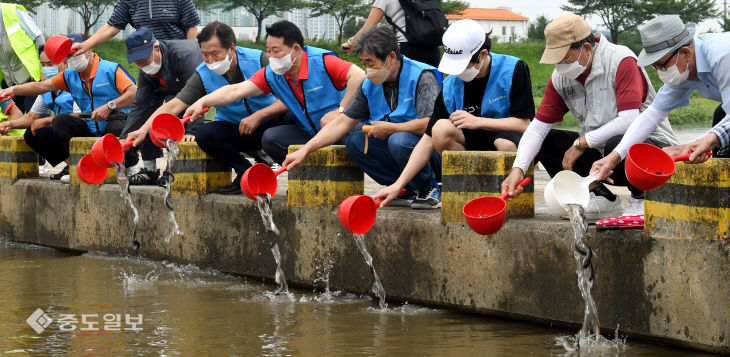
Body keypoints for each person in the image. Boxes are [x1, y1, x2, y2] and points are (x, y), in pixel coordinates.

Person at [501, 14, 678, 219]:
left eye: (564, 59)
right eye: (556, 61)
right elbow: (538, 127)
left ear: (586, 48)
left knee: (618, 140)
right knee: (548, 141)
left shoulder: (621, 60)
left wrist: (582, 142)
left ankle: (640, 198)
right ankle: (599, 197)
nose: (560, 67)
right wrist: (518, 170)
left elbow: (629, 120)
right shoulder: (562, 78)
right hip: (601, 159)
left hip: (649, 152)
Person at [372, 19, 534, 208]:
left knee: (504, 143)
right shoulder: (451, 84)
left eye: (463, 65)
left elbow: (525, 124)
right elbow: (427, 139)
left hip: (509, 137)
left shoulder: (513, 69)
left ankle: (508, 192)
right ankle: (472, 185)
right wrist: (398, 184)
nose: (459, 73)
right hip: (473, 141)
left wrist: (478, 121)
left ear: (482, 54)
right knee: (440, 128)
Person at [125, 21, 292, 195]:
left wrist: (260, 115)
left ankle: (292, 173)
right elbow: (174, 105)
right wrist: (143, 130)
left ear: (232, 48)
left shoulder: (260, 60)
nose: (210, 61)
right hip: (238, 128)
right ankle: (245, 173)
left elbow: (291, 98)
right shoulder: (203, 73)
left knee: (293, 118)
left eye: (215, 54)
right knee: (205, 135)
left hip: (270, 123)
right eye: (205, 55)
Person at [286, 26, 443, 208]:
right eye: (363, 63)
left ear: (391, 57)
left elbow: (431, 125)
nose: (367, 70)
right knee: (355, 142)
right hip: (397, 146)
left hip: (427, 150)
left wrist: (393, 129)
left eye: (371, 62)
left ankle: (429, 188)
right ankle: (406, 188)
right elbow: (343, 122)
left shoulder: (422, 76)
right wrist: (305, 150)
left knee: (398, 140)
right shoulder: (369, 84)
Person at [183, 20, 365, 167]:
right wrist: (203, 101)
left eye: (276, 51)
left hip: (341, 127)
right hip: (311, 130)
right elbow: (236, 90)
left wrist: (341, 111)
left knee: (356, 136)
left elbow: (358, 76)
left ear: (295, 49)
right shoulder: (273, 74)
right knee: (271, 139)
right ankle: (306, 176)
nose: (271, 57)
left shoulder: (321, 61)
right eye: (268, 51)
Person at [592, 15, 730, 182]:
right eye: (654, 66)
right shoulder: (683, 70)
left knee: (720, 120)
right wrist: (613, 158)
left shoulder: (722, 56)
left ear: (685, 52)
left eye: (662, 65)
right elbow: (652, 116)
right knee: (721, 119)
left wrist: (696, 144)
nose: (660, 71)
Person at [0, 33, 136, 182]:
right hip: (90, 131)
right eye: (69, 56)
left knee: (115, 126)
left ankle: (128, 165)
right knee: (57, 123)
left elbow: (134, 92)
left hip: (116, 124)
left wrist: (110, 106)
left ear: (88, 50)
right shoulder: (69, 75)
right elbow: (40, 86)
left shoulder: (110, 69)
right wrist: (12, 90)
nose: (73, 59)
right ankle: (78, 166)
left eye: (76, 53)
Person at [121, 27, 204, 185]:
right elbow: (141, 106)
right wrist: (125, 138)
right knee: (147, 117)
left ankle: (172, 171)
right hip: (172, 92)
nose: (143, 66)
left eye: (144, 60)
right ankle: (149, 170)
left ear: (156, 47)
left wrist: (192, 130)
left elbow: (195, 96)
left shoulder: (184, 55)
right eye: (138, 63)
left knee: (176, 117)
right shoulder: (146, 69)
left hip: (193, 92)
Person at [72, 0, 201, 57]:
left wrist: (189, 56)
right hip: (148, 59)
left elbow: (191, 27)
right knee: (141, 110)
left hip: (177, 58)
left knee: (184, 108)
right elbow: (112, 26)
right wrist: (86, 44)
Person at [341, 0, 441, 67]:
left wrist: (351, 43)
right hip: (433, 50)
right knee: (434, 90)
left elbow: (368, 27)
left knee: (404, 92)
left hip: (408, 50)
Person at [0, 3, 45, 113]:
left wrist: (43, 69)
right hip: (8, 81)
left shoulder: (13, 12)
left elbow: (39, 38)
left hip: (31, 77)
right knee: (13, 125)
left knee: (34, 122)